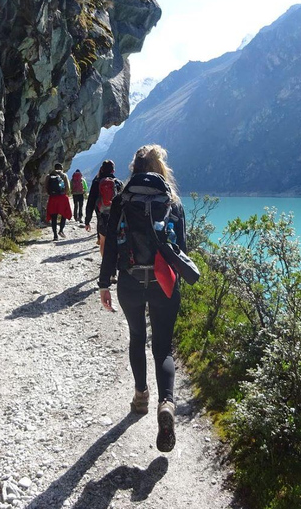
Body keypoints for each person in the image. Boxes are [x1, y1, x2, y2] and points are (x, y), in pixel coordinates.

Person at [97, 145, 187, 453]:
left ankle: (140, 396)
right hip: (164, 283)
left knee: (137, 338)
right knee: (163, 347)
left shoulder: (122, 199)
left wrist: (104, 284)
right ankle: (167, 404)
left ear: (134, 167)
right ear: (161, 167)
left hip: (130, 281)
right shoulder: (172, 201)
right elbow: (182, 249)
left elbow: (110, 246)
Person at [85, 160, 123, 257]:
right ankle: (114, 265)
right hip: (116, 217)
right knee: (116, 241)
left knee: (103, 242)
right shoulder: (118, 183)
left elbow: (90, 203)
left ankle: (105, 265)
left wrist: (87, 221)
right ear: (113, 171)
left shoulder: (96, 183)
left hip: (101, 217)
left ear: (101, 169)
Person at [44, 163, 72, 241]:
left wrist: (50, 194)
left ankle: (55, 235)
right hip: (62, 198)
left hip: (53, 198)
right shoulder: (64, 175)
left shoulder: (49, 176)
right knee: (64, 214)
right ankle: (61, 230)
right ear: (61, 168)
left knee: (53, 217)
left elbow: (46, 187)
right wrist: (64, 193)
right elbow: (68, 188)